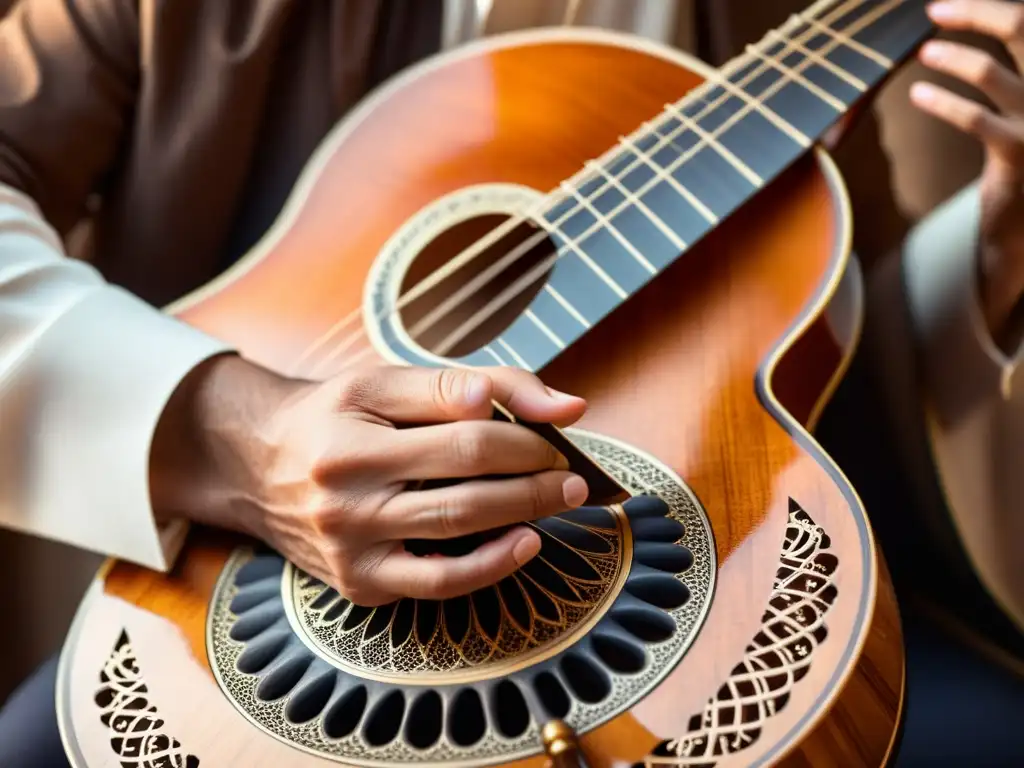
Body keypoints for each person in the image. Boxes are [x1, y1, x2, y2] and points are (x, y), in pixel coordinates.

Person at [0, 0, 1020, 765]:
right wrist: (232, 435)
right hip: (250, 601)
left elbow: (828, 348)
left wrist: (999, 247)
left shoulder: (780, 21)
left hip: (671, 577)